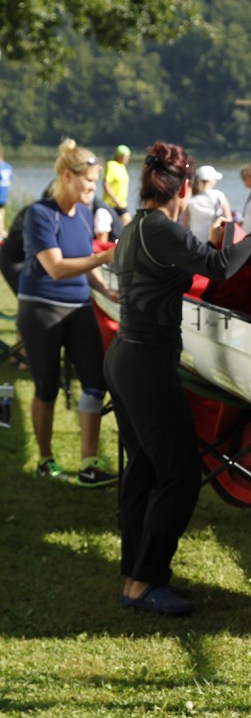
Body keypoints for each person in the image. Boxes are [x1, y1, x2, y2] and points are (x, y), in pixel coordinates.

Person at [104, 141, 251, 617]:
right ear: (183, 188)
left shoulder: (136, 228)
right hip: (145, 363)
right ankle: (145, 581)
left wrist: (220, 241)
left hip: (128, 358)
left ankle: (134, 578)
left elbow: (203, 264)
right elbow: (221, 268)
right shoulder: (161, 228)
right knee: (180, 475)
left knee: (145, 468)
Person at [17, 139, 118, 485]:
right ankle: (46, 460)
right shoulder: (39, 214)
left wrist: (106, 289)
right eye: (88, 181)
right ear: (66, 176)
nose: (93, 188)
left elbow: (85, 257)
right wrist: (104, 258)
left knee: (94, 382)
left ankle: (89, 463)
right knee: (46, 388)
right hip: (41, 308)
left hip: (79, 308)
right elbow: (56, 268)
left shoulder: (86, 214)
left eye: (94, 182)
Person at [182, 165, 232, 242]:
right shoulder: (219, 196)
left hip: (195, 242)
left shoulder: (190, 200)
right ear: (210, 181)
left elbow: (185, 224)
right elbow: (229, 220)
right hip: (214, 241)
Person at [103, 144, 132, 224]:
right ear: (120, 156)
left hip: (122, 203)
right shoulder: (111, 165)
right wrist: (115, 200)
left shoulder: (122, 166)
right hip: (112, 203)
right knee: (127, 223)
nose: (128, 158)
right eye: (127, 156)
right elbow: (106, 184)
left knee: (127, 226)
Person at [0, 148, 12, 238]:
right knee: (1, 211)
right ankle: (2, 230)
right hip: (4, 193)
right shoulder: (9, 167)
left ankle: (1, 231)